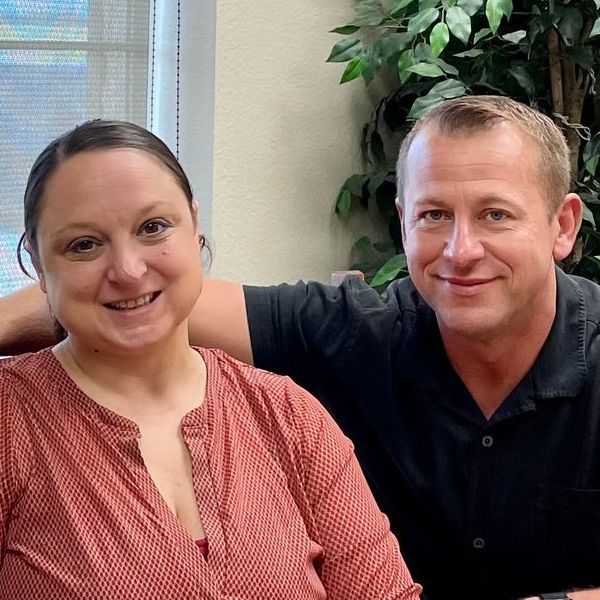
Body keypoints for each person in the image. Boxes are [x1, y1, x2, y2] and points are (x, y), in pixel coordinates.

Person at [0, 95, 597, 600]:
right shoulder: (352, 335)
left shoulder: (289, 418)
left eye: (496, 214)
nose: (461, 250)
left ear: (563, 226)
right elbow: (143, 298)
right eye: (435, 214)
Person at [0, 120, 421, 599]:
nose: (129, 270)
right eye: (84, 245)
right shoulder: (10, 422)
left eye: (152, 227)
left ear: (195, 228)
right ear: (36, 262)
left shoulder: (289, 417)